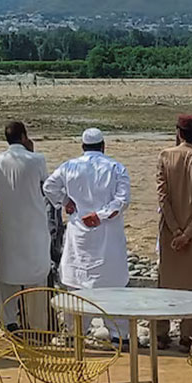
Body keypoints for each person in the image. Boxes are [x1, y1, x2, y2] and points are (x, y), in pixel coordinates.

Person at [44, 128, 132, 341]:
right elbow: (122, 201)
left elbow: (49, 187)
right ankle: (119, 336)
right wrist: (100, 215)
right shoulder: (116, 168)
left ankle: (75, 334)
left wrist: (65, 201)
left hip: (79, 233)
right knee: (113, 288)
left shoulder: (69, 166)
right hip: (108, 236)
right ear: (103, 146)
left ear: (83, 147)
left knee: (77, 287)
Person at [156, 113, 192, 349]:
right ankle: (187, 336)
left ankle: (161, 334)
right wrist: (187, 234)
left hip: (170, 234)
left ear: (178, 133)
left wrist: (175, 230)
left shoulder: (164, 156)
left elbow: (162, 198)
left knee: (166, 282)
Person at [0, 121, 51, 331]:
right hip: (33, 228)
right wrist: (31, 152)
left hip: (8, 228)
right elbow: (46, 186)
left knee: (6, 279)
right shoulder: (37, 159)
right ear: (24, 137)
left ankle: (9, 324)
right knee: (36, 281)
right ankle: (38, 328)